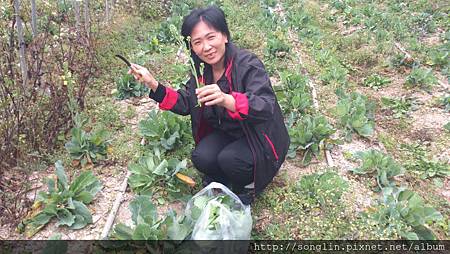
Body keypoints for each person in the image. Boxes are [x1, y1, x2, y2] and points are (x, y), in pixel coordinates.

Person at [128, 5, 289, 205]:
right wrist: (153, 84)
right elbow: (186, 102)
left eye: (211, 37)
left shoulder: (247, 64)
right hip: (228, 132)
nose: (206, 47)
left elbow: (265, 106)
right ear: (192, 47)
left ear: (225, 36)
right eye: (197, 42)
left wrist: (227, 99)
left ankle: (247, 184)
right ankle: (222, 179)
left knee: (231, 161)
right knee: (202, 157)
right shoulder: (201, 71)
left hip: (258, 136)